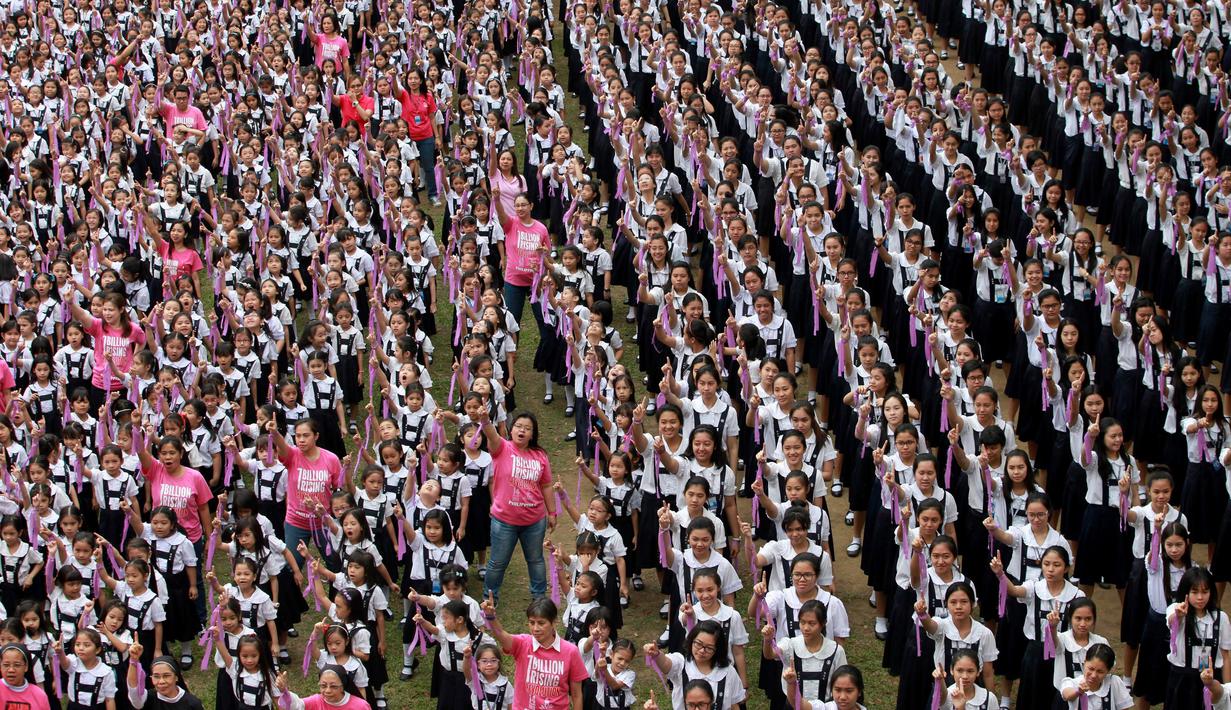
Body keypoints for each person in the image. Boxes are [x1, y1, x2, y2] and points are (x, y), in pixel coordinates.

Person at [477, 409, 556, 601]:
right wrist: (486, 420)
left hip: (534, 521)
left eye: (527, 428)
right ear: (511, 430)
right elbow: (491, 433)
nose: (522, 431)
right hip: (504, 520)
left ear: (533, 434)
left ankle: (539, 598)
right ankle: (490, 598)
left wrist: (552, 512)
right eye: (519, 426)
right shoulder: (502, 448)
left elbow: (546, 486)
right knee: (497, 562)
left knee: (536, 560)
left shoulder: (540, 456)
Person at [480, 595, 588, 710]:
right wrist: (491, 617)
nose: (535, 628)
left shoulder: (571, 651)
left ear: (554, 622)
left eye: (541, 623)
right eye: (532, 623)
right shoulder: (522, 644)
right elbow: (501, 634)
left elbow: (576, 694)